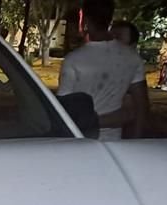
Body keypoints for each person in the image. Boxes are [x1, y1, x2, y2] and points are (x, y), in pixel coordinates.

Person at [57, 0, 148, 140]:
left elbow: (64, 109)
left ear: (85, 19)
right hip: (114, 140)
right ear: (110, 17)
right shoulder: (132, 57)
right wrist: (136, 140)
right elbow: (142, 106)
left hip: (80, 139)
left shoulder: (73, 60)